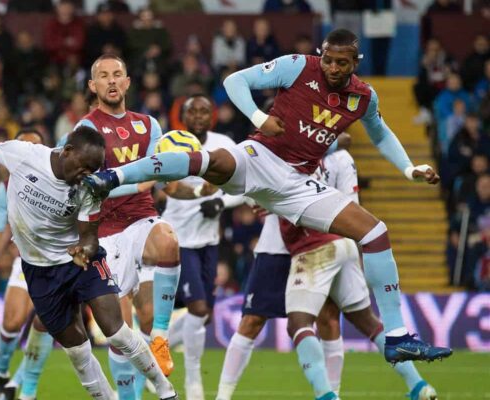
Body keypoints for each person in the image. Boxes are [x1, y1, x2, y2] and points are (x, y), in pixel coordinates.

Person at [83, 29, 453, 375]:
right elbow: (234, 81)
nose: (333, 68)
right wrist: (260, 117)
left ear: (355, 62)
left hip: (299, 184)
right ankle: (111, 177)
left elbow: (380, 133)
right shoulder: (298, 66)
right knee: (205, 160)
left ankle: (397, 337)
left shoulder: (363, 97)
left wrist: (407, 169)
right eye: (328, 60)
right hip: (260, 158)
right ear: (321, 56)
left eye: (342, 63)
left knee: (375, 232)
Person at [0, 88, 178, 400]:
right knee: (78, 353)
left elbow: (90, 236)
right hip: (39, 272)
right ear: (66, 152)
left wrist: (86, 249)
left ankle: (165, 390)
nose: (86, 175)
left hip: (80, 264)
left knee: (116, 330)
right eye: (83, 167)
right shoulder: (23, 155)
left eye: (93, 170)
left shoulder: (88, 188)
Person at [216, 148, 438, 400]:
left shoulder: (280, 160)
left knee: (299, 324)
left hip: (314, 248)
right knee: (366, 321)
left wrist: (226, 197)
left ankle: (326, 395)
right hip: (343, 242)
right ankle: (418, 385)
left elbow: (246, 183)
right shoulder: (315, 156)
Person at [59, 54, 180, 399]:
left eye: (117, 75)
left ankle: (159, 337)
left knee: (169, 242)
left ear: (127, 82)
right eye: (103, 76)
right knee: (118, 330)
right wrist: (138, 180)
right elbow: (86, 183)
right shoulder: (86, 129)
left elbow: (158, 174)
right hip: (105, 230)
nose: (111, 81)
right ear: (92, 86)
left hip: (141, 218)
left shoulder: (149, 125)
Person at [159, 95, 244, 400]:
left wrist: (221, 201)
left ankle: (155, 350)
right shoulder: (171, 144)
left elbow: (246, 186)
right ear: (182, 116)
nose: (197, 116)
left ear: (213, 116)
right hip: (179, 240)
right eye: (191, 111)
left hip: (210, 241)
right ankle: (193, 380)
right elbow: (166, 187)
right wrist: (200, 194)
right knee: (198, 308)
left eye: (203, 111)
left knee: (204, 316)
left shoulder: (225, 144)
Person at [0, 128, 55, 400]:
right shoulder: (6, 190)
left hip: (61, 264)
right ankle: (2, 375)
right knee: (12, 321)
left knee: (47, 322)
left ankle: (20, 387)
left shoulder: (61, 179)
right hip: (27, 261)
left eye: (34, 148)